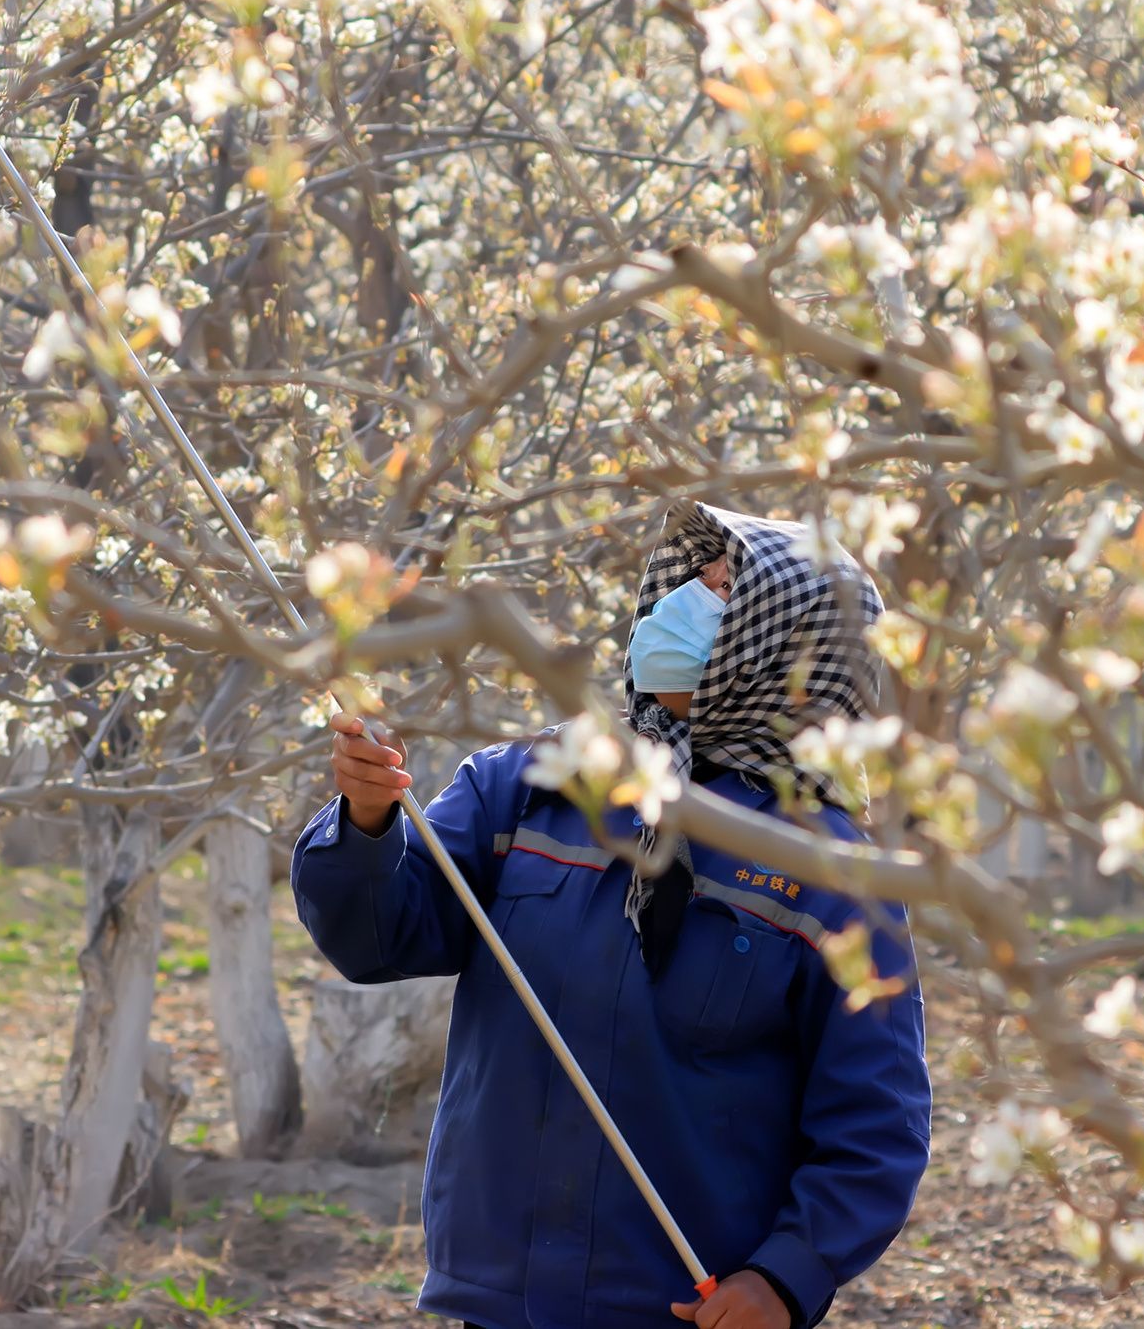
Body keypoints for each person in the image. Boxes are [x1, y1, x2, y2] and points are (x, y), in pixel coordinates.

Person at [291, 503, 931, 1329]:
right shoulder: (532, 782)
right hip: (499, 1294)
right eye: (688, 581)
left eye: (723, 589)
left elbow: (876, 1125)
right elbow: (375, 938)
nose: (680, 606)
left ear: (790, 645)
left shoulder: (831, 870)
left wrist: (785, 1276)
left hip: (683, 1308)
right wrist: (367, 821)